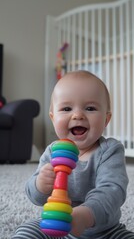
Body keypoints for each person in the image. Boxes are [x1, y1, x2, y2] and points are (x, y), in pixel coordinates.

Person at [12, 70, 134, 239]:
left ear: (106, 120)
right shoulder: (52, 152)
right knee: (26, 230)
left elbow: (113, 191)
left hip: (104, 230)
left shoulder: (110, 150)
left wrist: (85, 216)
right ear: (53, 119)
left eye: (90, 108)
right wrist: (40, 185)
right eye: (67, 108)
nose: (78, 115)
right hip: (57, 225)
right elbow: (35, 196)